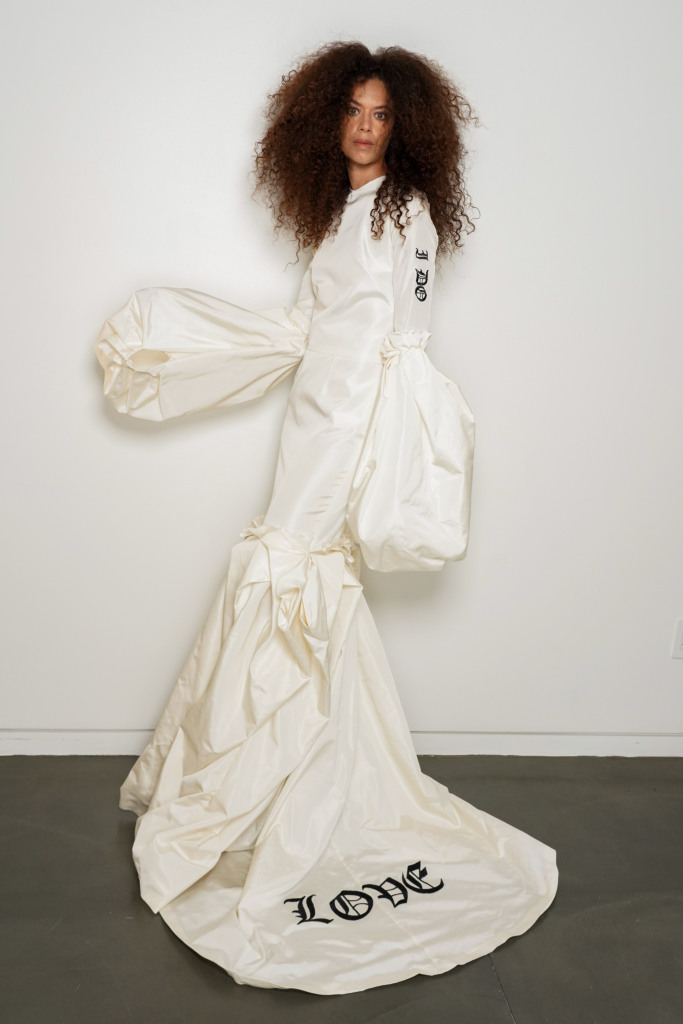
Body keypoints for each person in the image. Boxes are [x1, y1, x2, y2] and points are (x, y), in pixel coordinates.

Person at [95, 41, 558, 995]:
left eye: (381, 114)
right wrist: (200, 341)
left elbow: (407, 341)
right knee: (294, 584)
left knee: (293, 578)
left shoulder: (406, 212)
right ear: (325, 119)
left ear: (406, 126)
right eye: (352, 109)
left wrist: (378, 458)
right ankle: (295, 779)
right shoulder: (336, 214)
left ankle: (280, 785)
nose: (364, 127)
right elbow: (312, 327)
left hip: (349, 432)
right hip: (310, 420)